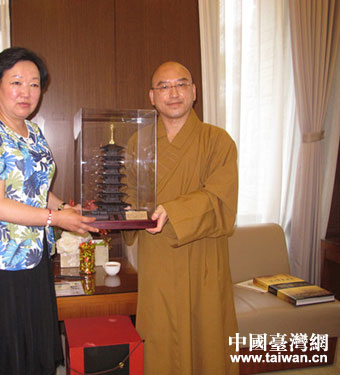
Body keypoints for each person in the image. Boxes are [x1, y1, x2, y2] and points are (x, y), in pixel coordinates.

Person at [0, 47, 98, 375]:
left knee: (33, 348)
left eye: (34, 84)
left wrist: (65, 209)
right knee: (4, 353)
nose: (26, 92)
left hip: (33, 255)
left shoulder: (32, 132)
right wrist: (56, 219)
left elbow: (35, 190)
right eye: (17, 82)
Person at [133, 61, 239, 374]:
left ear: (194, 92)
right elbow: (128, 199)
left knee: (207, 340)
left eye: (181, 84)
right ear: (152, 97)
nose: (173, 93)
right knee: (160, 340)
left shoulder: (218, 141)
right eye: (163, 86)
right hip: (157, 260)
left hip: (204, 258)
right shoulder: (137, 143)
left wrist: (174, 211)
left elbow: (221, 200)